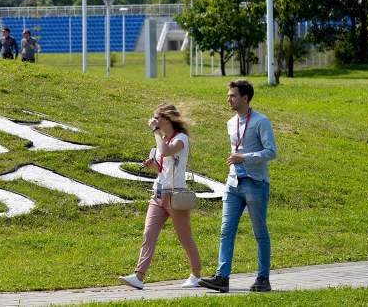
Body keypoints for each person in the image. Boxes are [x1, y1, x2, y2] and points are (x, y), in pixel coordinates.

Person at [199, 80, 278, 293]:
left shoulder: (261, 121)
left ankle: (263, 278)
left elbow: (271, 152)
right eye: (229, 95)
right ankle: (222, 277)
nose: (229, 99)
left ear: (245, 98)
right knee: (226, 230)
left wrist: (245, 157)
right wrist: (237, 162)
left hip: (255, 183)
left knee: (259, 232)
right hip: (233, 184)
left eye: (233, 95)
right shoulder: (230, 123)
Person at [119, 104, 202, 290]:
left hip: (175, 196)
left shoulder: (181, 139)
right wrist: (153, 166)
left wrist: (155, 132)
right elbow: (162, 167)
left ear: (167, 119)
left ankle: (196, 274)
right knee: (149, 234)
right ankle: (139, 276)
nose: (154, 121)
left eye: (157, 118)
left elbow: (166, 151)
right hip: (158, 194)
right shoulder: (163, 139)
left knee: (184, 237)